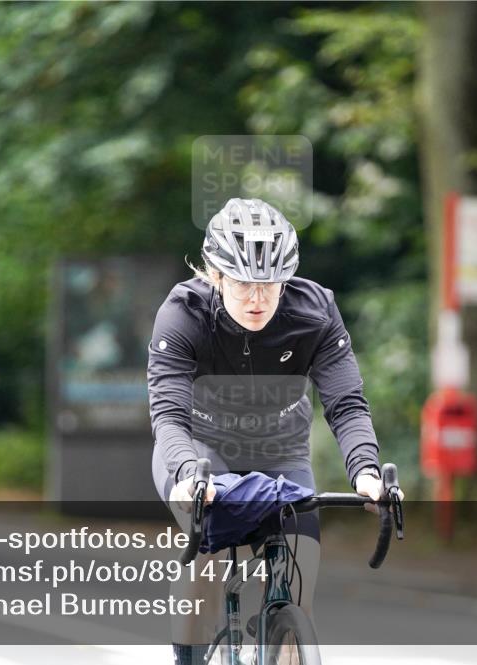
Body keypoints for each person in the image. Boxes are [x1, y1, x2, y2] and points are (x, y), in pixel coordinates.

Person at [147, 197, 388, 665]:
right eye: (242, 284)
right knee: (207, 562)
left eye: (270, 285)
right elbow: (169, 416)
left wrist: (365, 471)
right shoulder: (183, 313)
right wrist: (188, 475)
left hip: (280, 454)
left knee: (299, 588)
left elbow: (347, 403)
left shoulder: (315, 312)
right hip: (198, 451)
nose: (257, 298)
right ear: (215, 276)